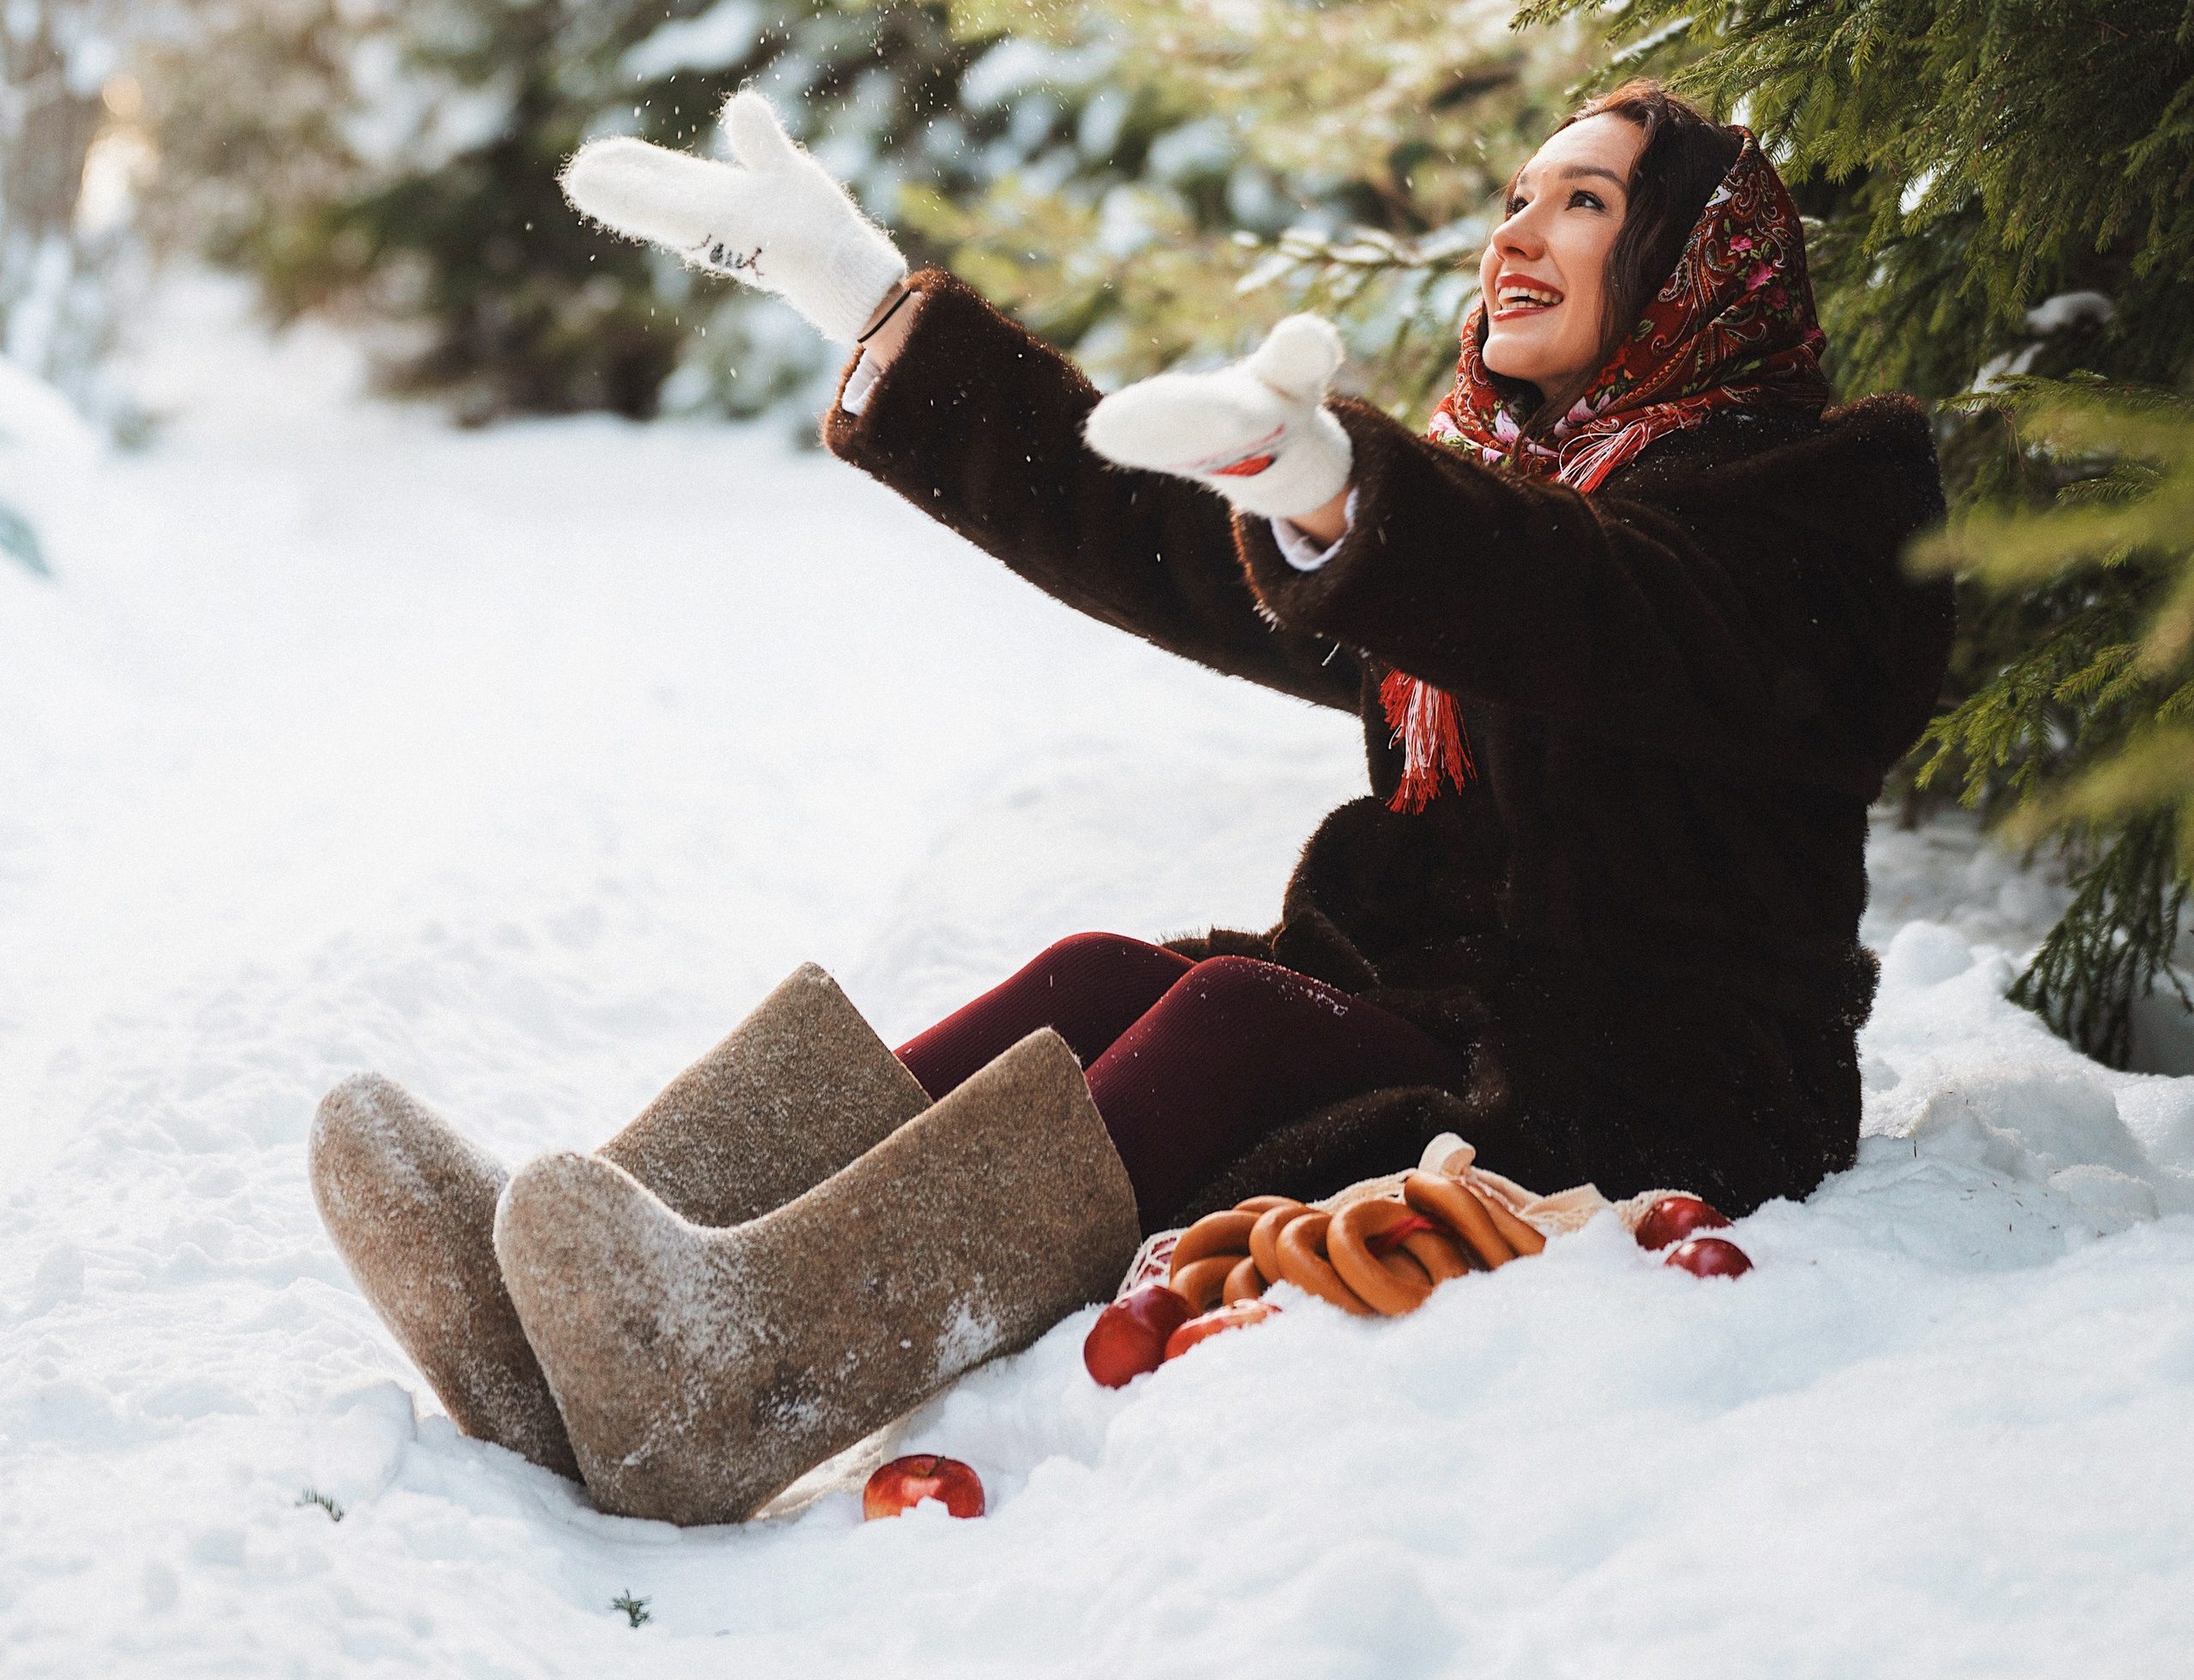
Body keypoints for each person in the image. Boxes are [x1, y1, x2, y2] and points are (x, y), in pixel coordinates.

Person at [310, 80, 1951, 1526]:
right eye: (1514, 196)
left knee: (1236, 1012)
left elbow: (1592, 610)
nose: (1518, 232)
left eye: (1585, 202)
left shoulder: (1811, 514)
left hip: (1666, 1076)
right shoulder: (1524, 490)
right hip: (1463, 1003)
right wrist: (871, 304)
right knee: (1107, 969)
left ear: (1692, 265)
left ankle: (751, 1375)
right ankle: (578, 1289)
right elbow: (1164, 539)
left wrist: (1346, 493)